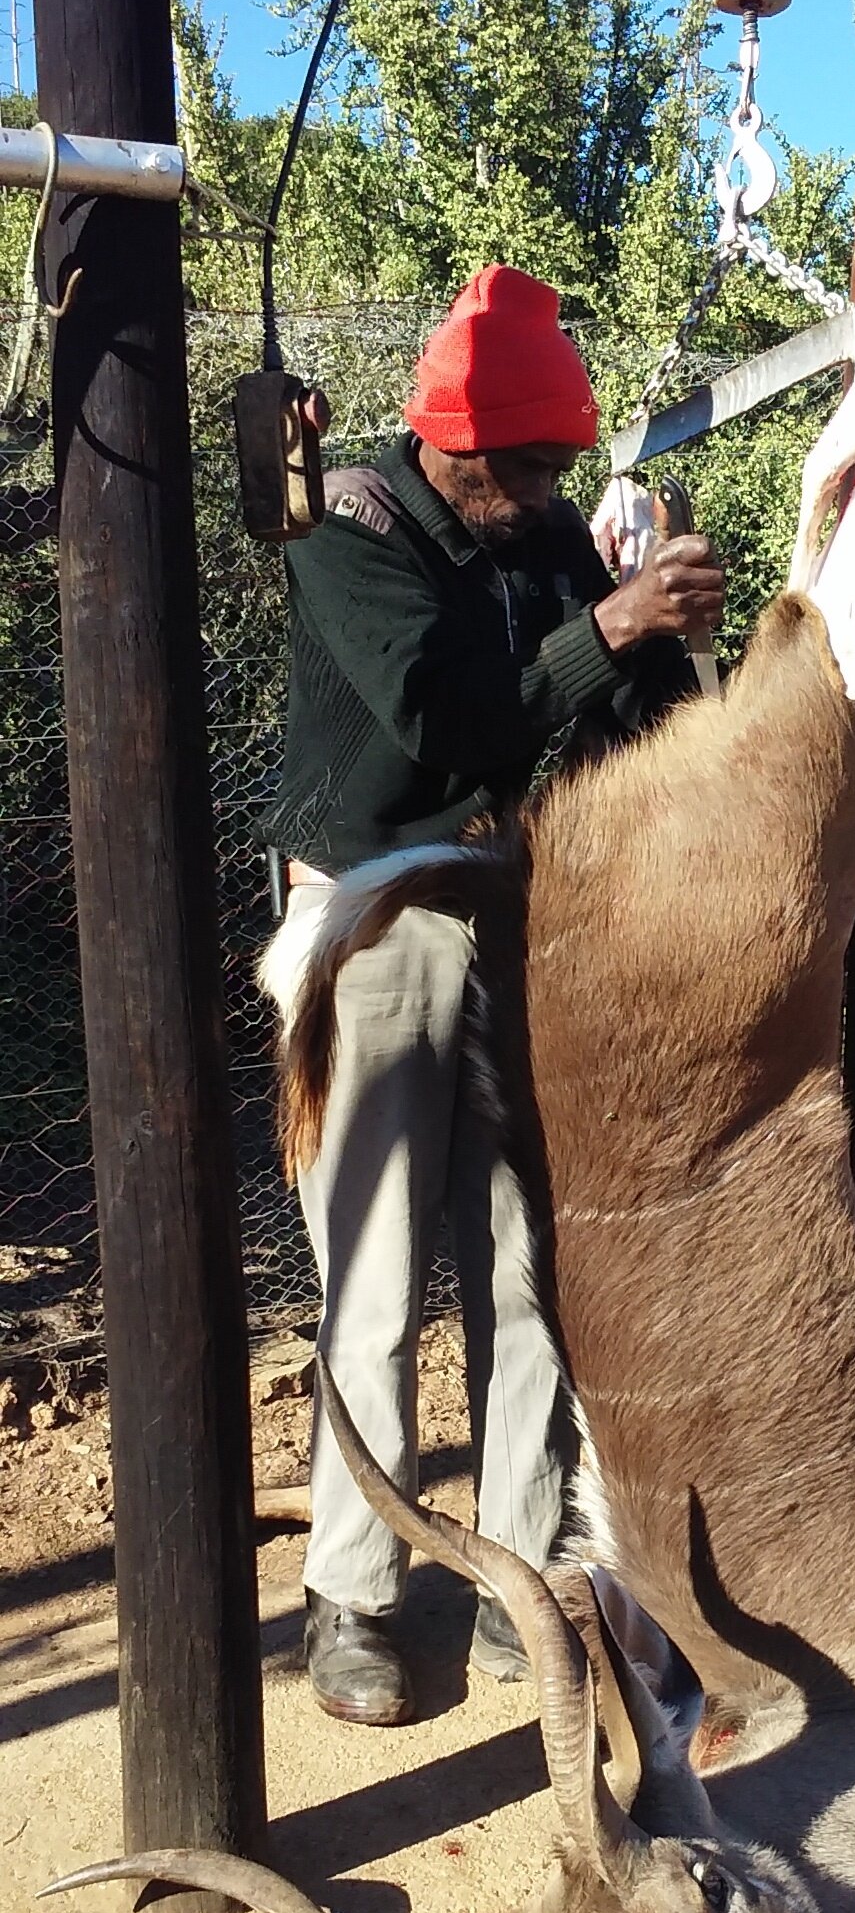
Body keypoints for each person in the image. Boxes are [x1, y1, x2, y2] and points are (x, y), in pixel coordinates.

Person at [260, 264, 725, 1726]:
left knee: (529, 1274)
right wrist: (614, 627)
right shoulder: (352, 531)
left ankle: (525, 1586)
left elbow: (628, 716)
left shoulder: (540, 538)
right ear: (451, 448)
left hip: (523, 918)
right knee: (378, 1281)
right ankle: (355, 1595)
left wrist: (679, 637)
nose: (539, 487)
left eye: (551, 466)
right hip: (376, 917)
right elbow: (446, 722)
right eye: (522, 464)